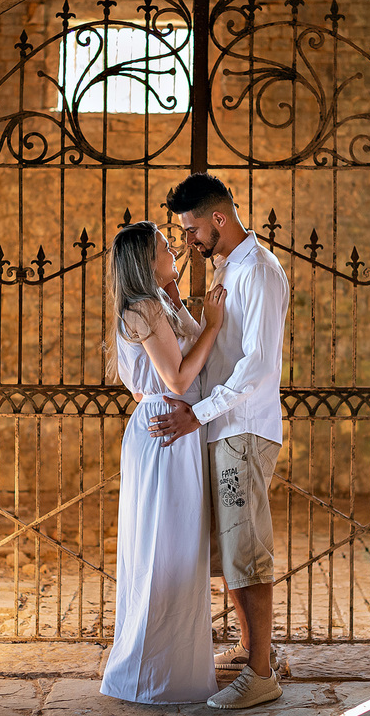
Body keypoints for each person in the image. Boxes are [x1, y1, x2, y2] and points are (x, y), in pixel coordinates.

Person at [151, 172, 289, 710]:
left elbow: (256, 368)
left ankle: (260, 676)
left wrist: (198, 414)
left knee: (246, 550)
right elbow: (217, 351)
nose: (187, 240)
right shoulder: (231, 267)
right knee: (229, 551)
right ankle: (255, 651)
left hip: (242, 430)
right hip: (221, 428)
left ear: (219, 219)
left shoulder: (258, 272)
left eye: (190, 230)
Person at [99, 221, 227, 705]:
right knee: (164, 548)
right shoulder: (143, 308)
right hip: (166, 430)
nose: (175, 249)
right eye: (165, 247)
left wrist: (179, 299)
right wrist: (213, 325)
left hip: (172, 427)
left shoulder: (156, 302)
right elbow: (176, 379)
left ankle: (168, 670)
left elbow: (193, 356)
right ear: (146, 260)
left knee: (174, 547)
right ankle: (152, 676)